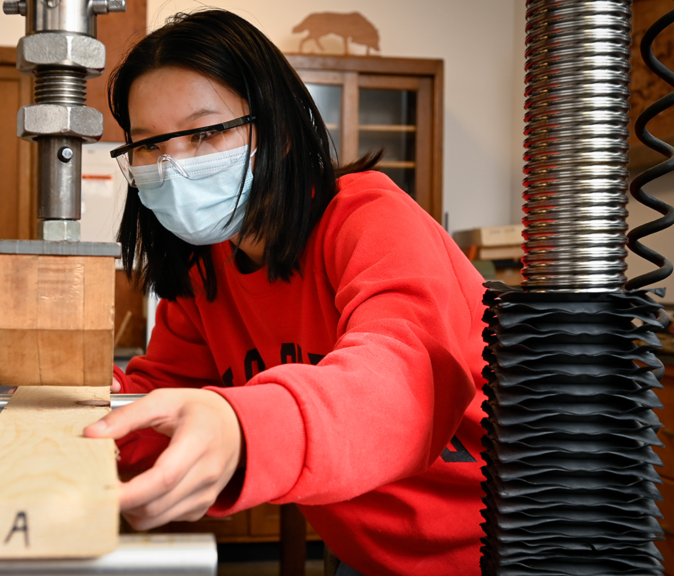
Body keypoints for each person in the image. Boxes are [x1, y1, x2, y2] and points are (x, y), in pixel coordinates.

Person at [82, 10, 487, 576]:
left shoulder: (368, 219)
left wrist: (241, 427)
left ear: (283, 131)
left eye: (205, 132)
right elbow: (166, 389)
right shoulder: (206, 270)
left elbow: (404, 383)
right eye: (149, 145)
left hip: (495, 551)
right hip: (363, 553)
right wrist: (88, 414)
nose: (173, 166)